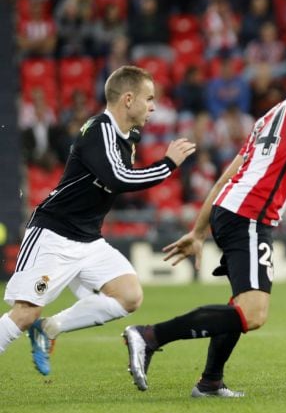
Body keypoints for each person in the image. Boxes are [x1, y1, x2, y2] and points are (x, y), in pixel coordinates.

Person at [122, 50, 286, 397]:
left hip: (229, 208)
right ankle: (150, 336)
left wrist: (199, 229)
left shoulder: (266, 118)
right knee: (254, 312)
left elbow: (228, 175)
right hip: (250, 213)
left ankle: (210, 381)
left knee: (239, 303)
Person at [0, 66, 196, 376]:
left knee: (129, 295)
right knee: (24, 312)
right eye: (149, 98)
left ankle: (49, 328)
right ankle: (35, 323)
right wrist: (169, 163)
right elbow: (117, 178)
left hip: (88, 239)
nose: (153, 106)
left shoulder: (128, 137)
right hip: (54, 232)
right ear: (128, 99)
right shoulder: (99, 129)